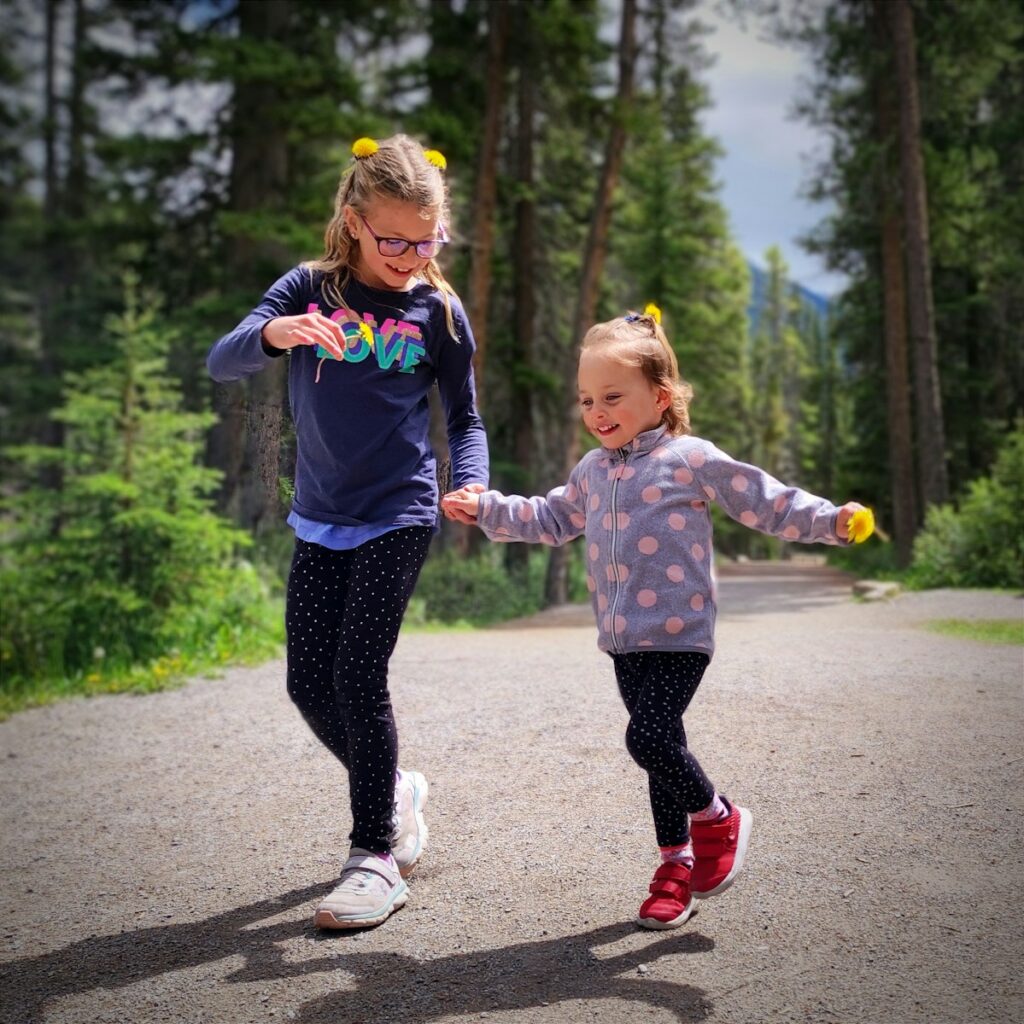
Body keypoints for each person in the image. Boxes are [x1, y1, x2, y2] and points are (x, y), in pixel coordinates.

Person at [443, 309, 865, 930]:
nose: (597, 411)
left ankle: (719, 818)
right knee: (661, 747)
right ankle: (676, 865)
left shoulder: (689, 458)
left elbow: (764, 499)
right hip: (623, 641)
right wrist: (486, 507)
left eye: (612, 396)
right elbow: (551, 518)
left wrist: (831, 522)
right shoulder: (591, 470)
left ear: (660, 396)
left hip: (679, 635)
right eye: (587, 399)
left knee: (647, 739)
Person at [208, 134, 488, 930]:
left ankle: (376, 857)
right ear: (356, 220)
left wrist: (471, 480)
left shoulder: (438, 309)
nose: (409, 255)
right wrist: (277, 334)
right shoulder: (307, 287)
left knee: (360, 676)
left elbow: (464, 419)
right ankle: (394, 785)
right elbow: (222, 359)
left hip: (400, 509)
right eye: (393, 238)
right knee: (308, 682)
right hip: (321, 517)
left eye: (425, 239)